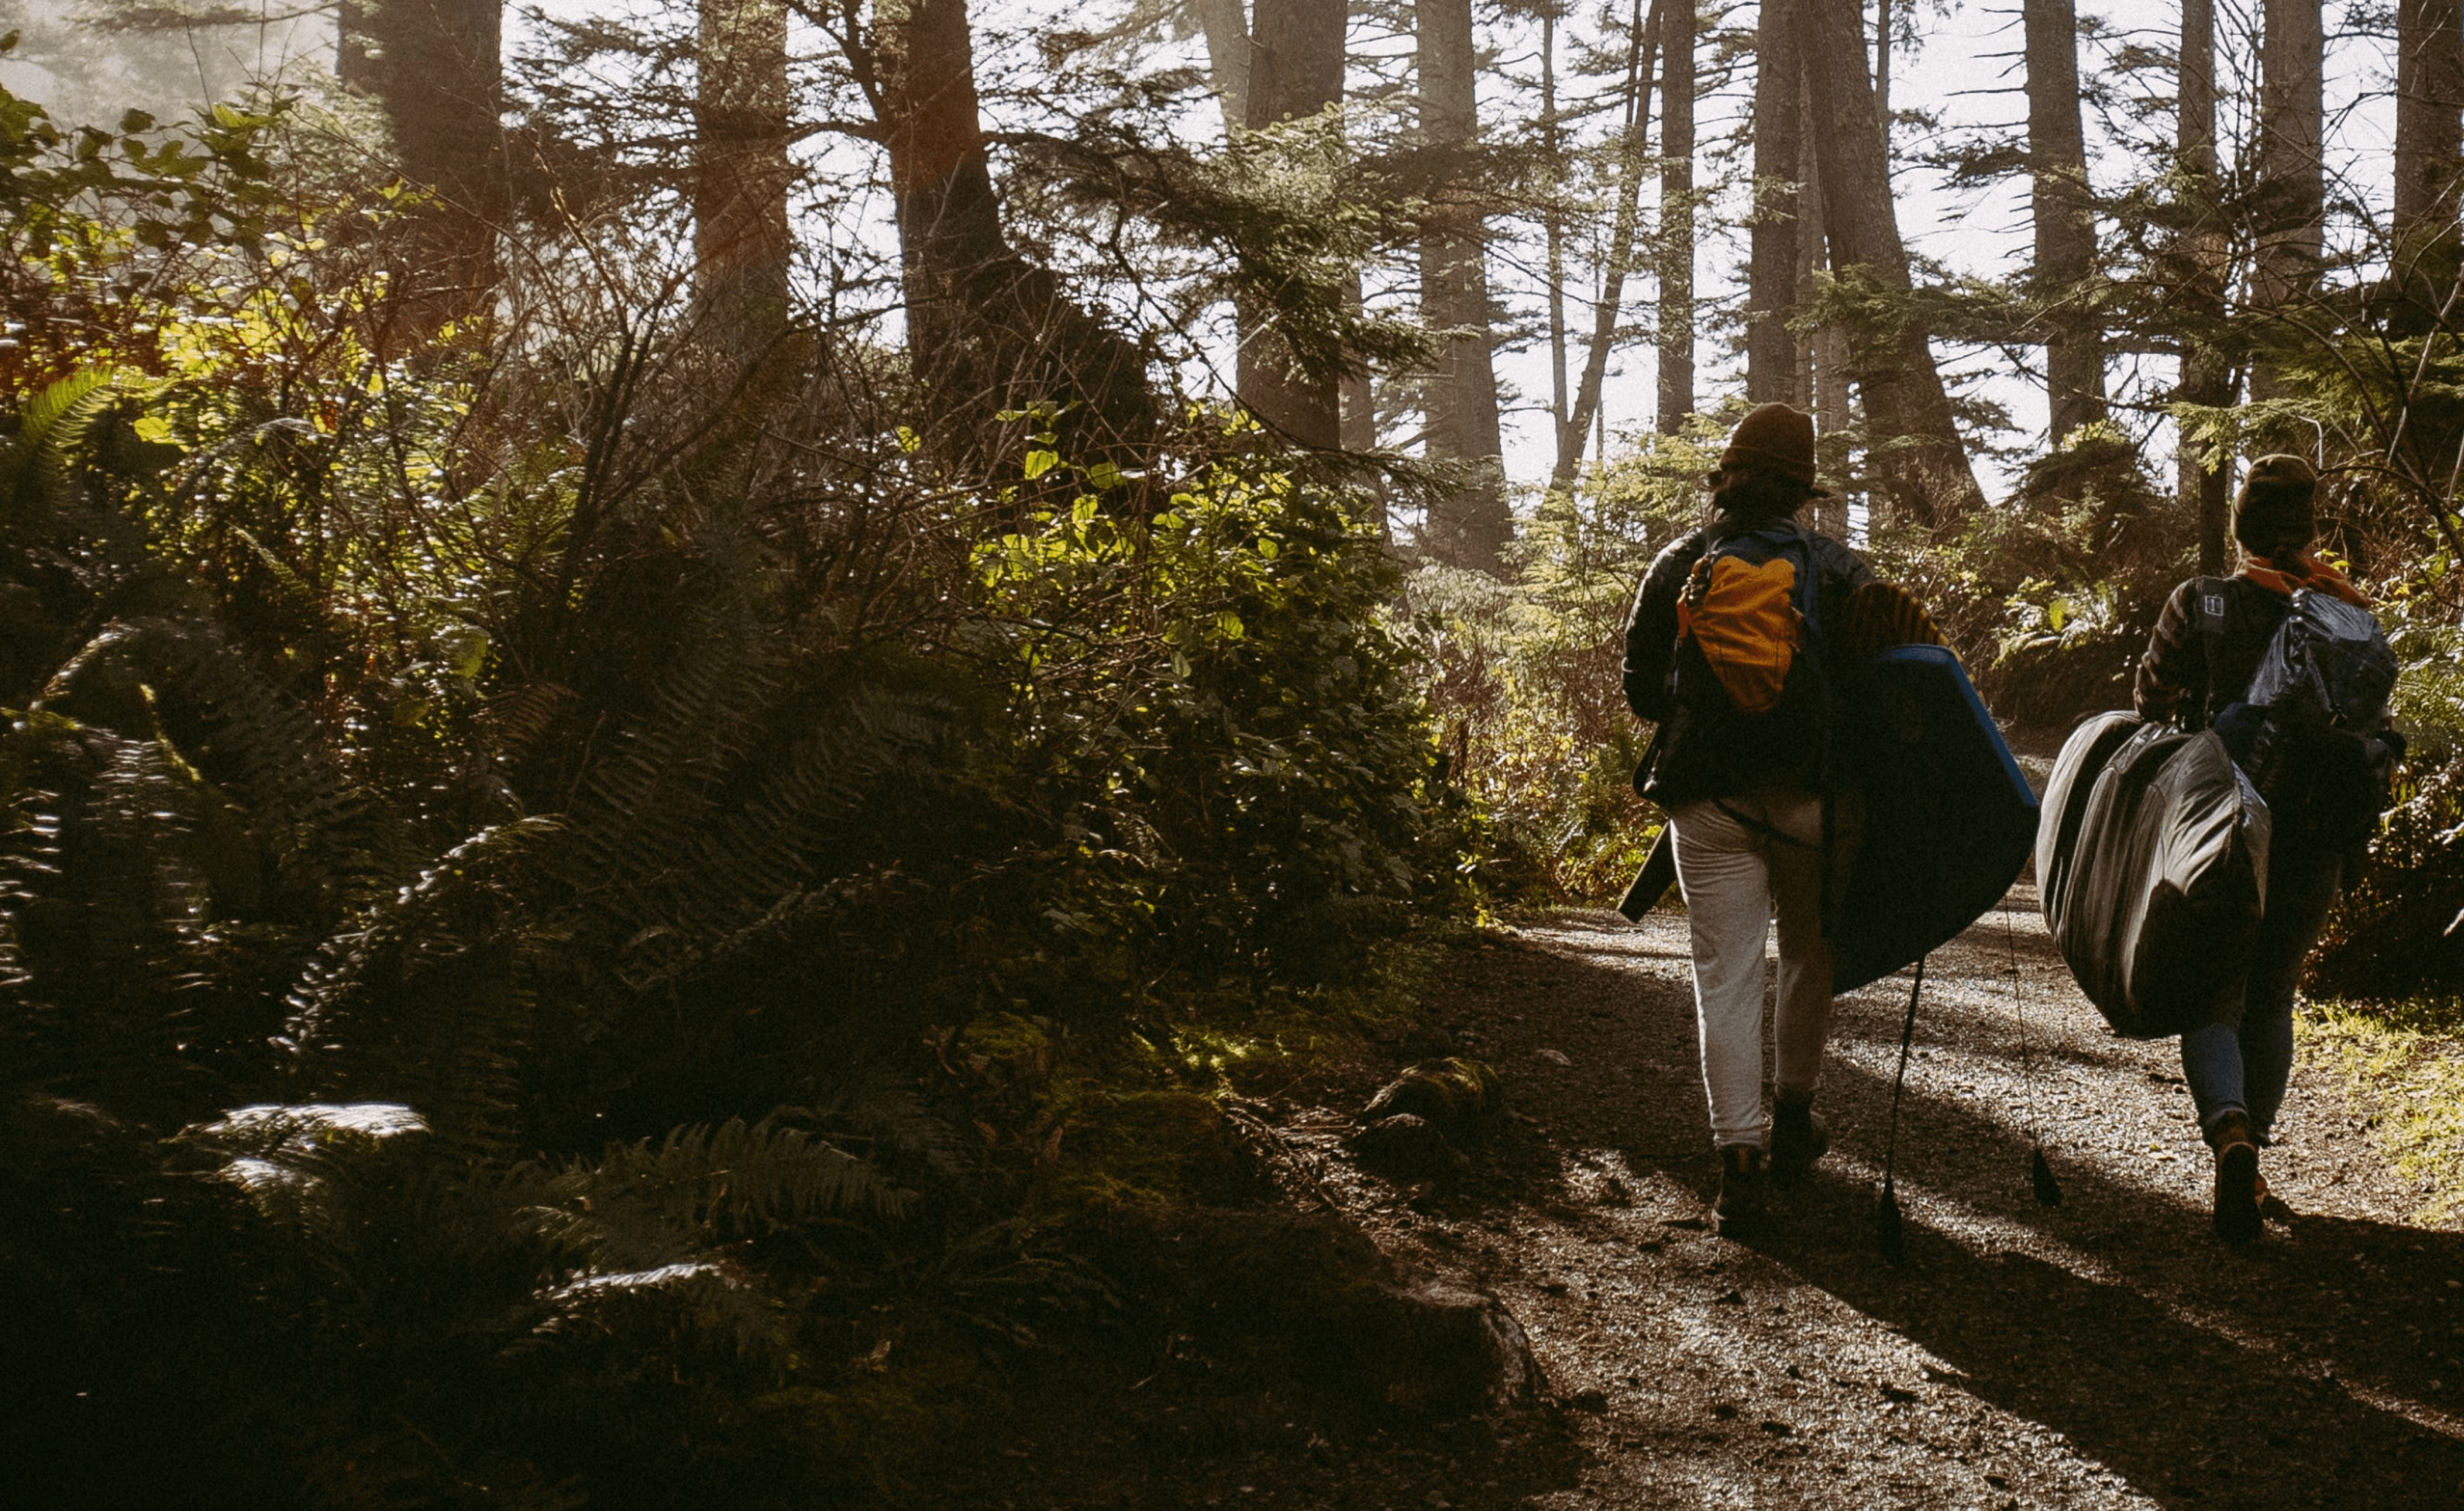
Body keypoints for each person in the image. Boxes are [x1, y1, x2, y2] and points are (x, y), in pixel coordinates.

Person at [1621, 404, 1929, 1235]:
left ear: (1725, 474)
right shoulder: (1837, 567)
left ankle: (1739, 1166)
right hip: (1815, 802)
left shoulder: (1681, 563)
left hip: (1708, 801)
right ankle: (1792, 1119)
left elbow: (1643, 691)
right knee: (1805, 953)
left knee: (1723, 976)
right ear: (1803, 488)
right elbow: (1891, 690)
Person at [2135, 453, 2396, 1242]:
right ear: (2311, 524)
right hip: (2317, 830)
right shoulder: (2352, 613)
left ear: (2242, 522)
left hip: (2223, 828)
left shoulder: (2200, 602)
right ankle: (2257, 1161)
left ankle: (2231, 1137)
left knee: (2215, 988)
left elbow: (2149, 701)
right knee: (2274, 991)